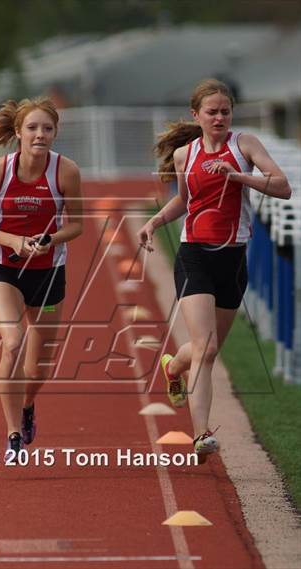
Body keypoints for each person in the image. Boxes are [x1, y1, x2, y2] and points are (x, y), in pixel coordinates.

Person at [137, 78, 291, 463]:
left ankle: (173, 366)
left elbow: (283, 187)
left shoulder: (245, 146)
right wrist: (154, 222)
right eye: (212, 111)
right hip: (195, 256)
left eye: (225, 111)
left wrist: (239, 177)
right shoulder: (184, 156)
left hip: (233, 259)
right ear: (197, 116)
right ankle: (201, 435)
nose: (220, 117)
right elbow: (182, 204)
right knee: (205, 349)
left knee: (208, 349)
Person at [0, 96, 83, 457]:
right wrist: (15, 241)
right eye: (32, 128)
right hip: (4, 269)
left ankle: (28, 404)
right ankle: (14, 434)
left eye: (47, 128)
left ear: (55, 133)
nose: (40, 134)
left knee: (39, 368)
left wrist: (50, 240)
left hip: (48, 275)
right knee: (13, 342)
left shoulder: (66, 172)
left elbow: (77, 225)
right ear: (19, 132)